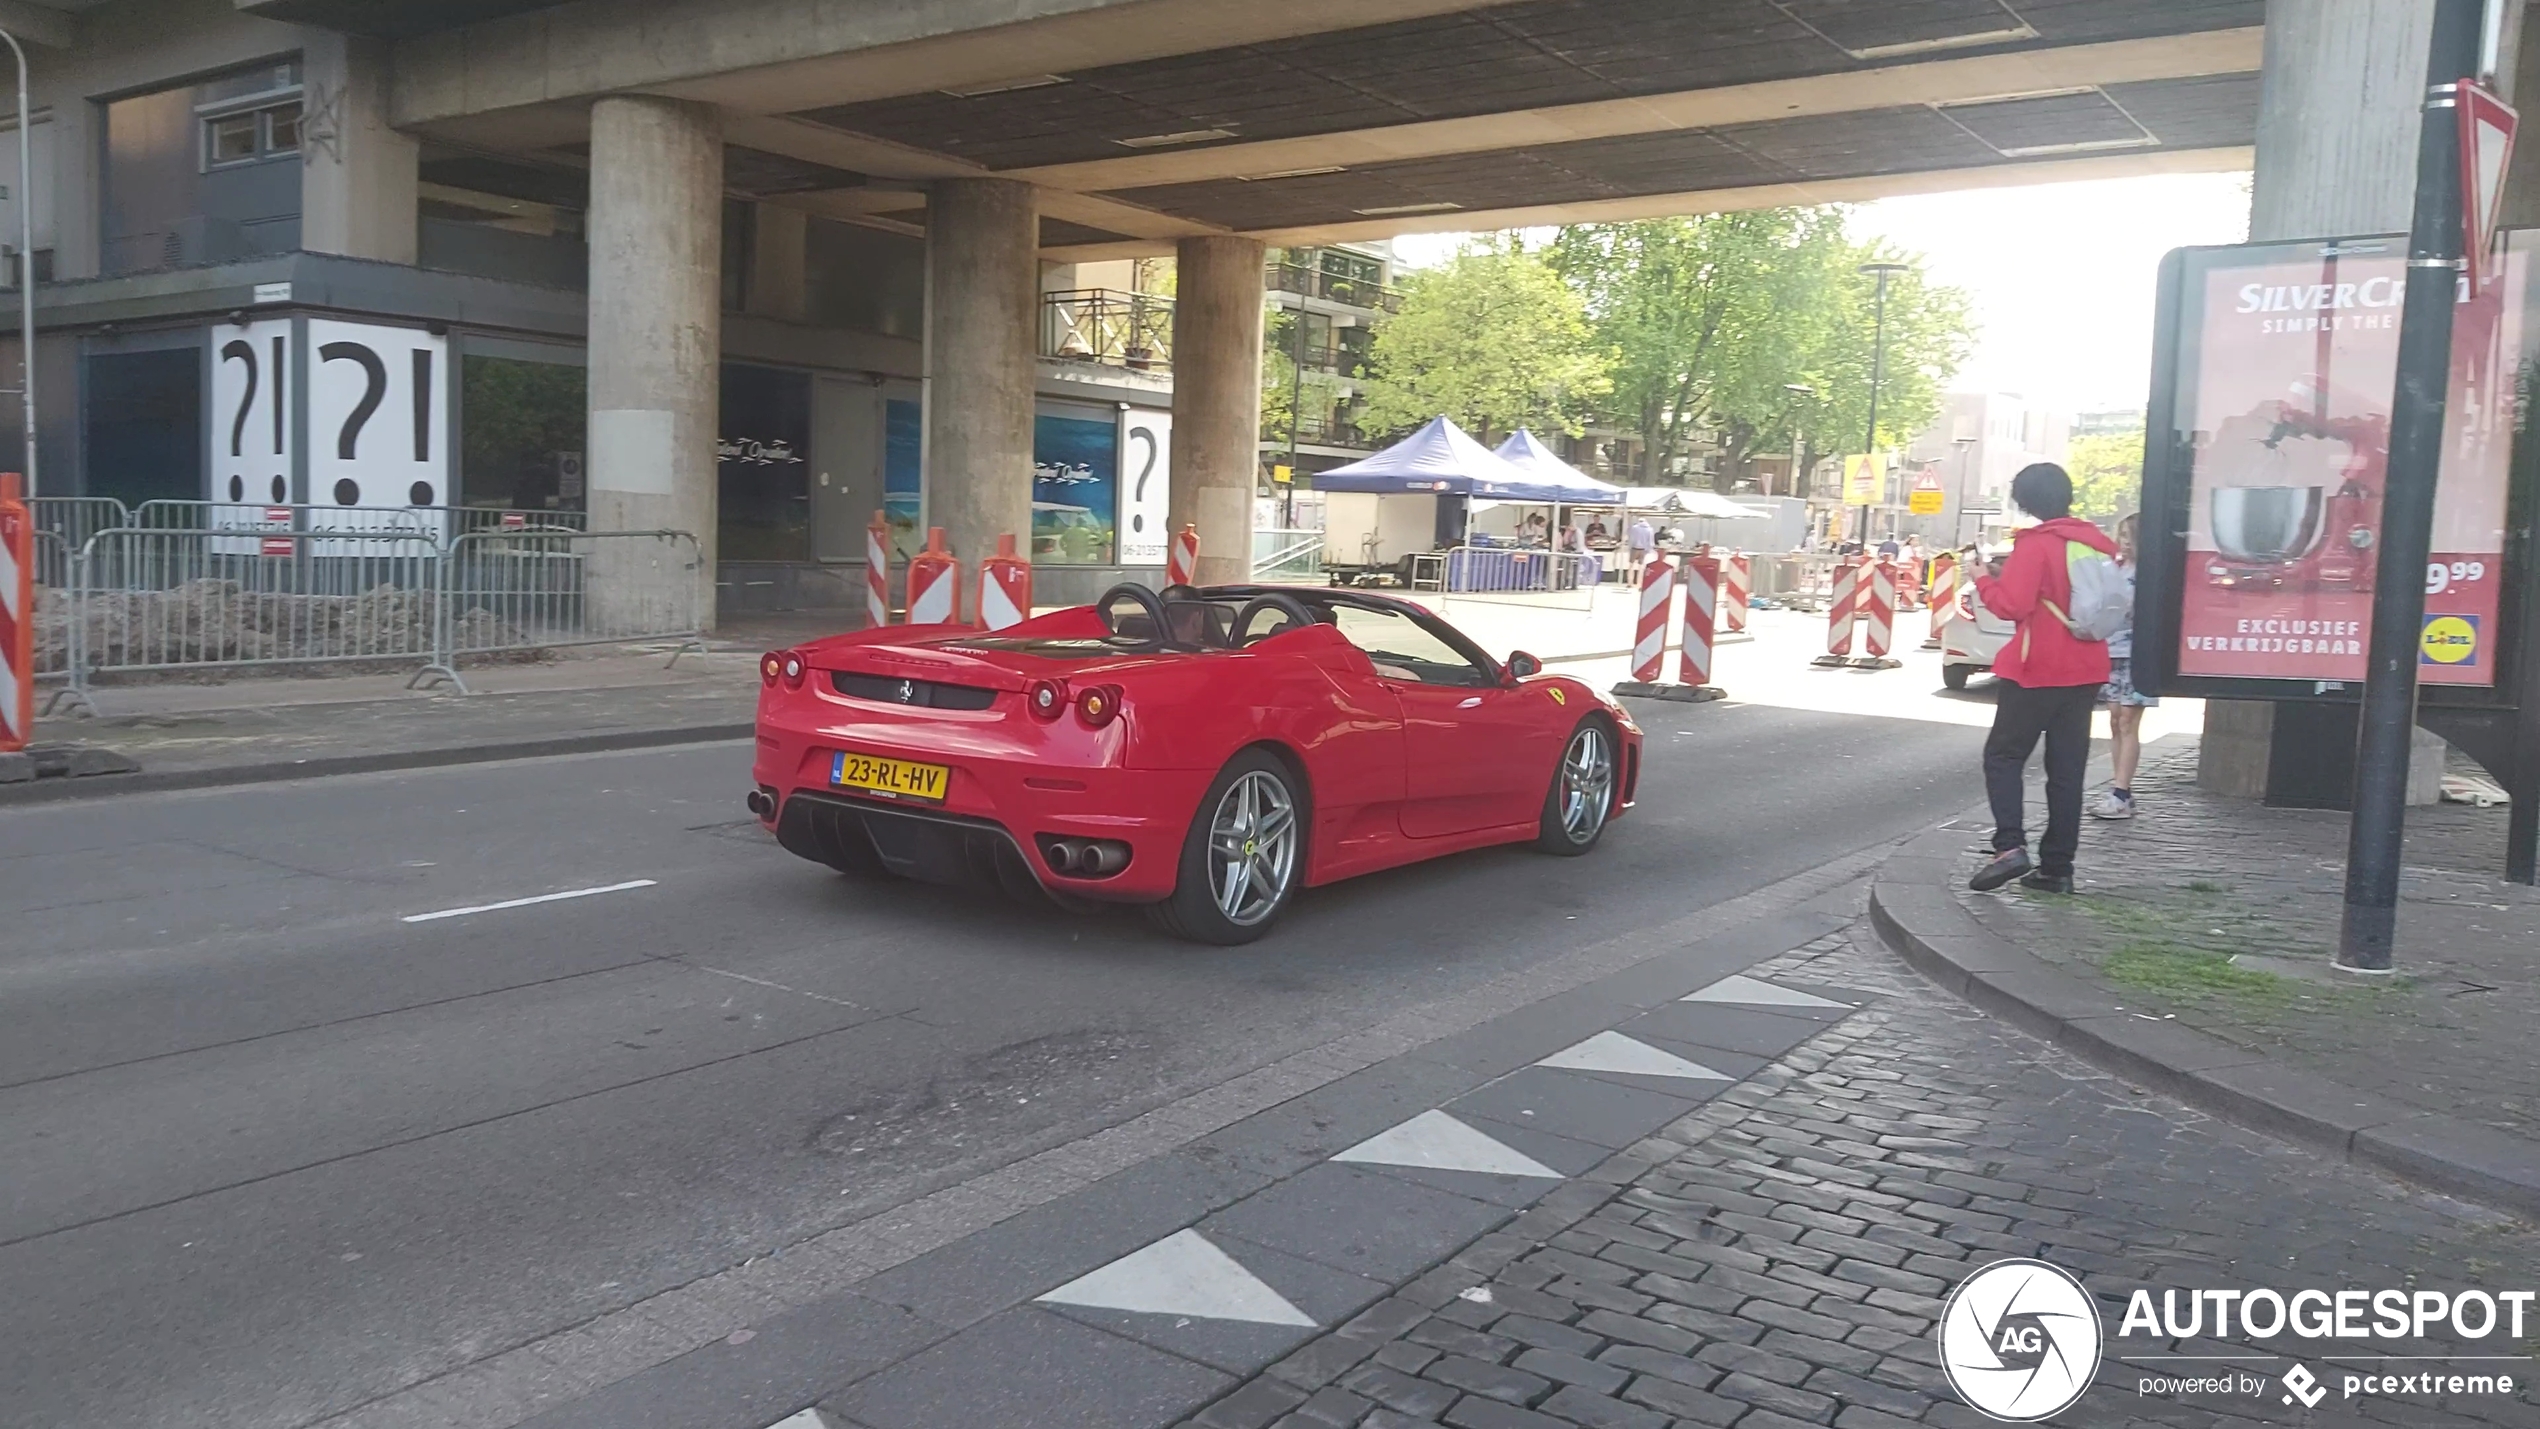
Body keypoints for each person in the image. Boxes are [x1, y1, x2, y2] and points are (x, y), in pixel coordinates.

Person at [1968, 463, 2119, 894]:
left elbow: (2012, 606)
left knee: (2003, 756)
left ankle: (2010, 846)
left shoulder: (2036, 545)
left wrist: (1981, 579)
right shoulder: (2097, 543)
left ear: (2026, 501)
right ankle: (2058, 868)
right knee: (2067, 770)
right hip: (2086, 666)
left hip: (2037, 667)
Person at [2093, 513, 2156, 820]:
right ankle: (2119, 790)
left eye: (2130, 537)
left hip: (2138, 651)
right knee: (2115, 719)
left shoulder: (2150, 574)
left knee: (2129, 720)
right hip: (2111, 649)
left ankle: (2122, 791)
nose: (2124, 543)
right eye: (2121, 536)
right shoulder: (2110, 569)